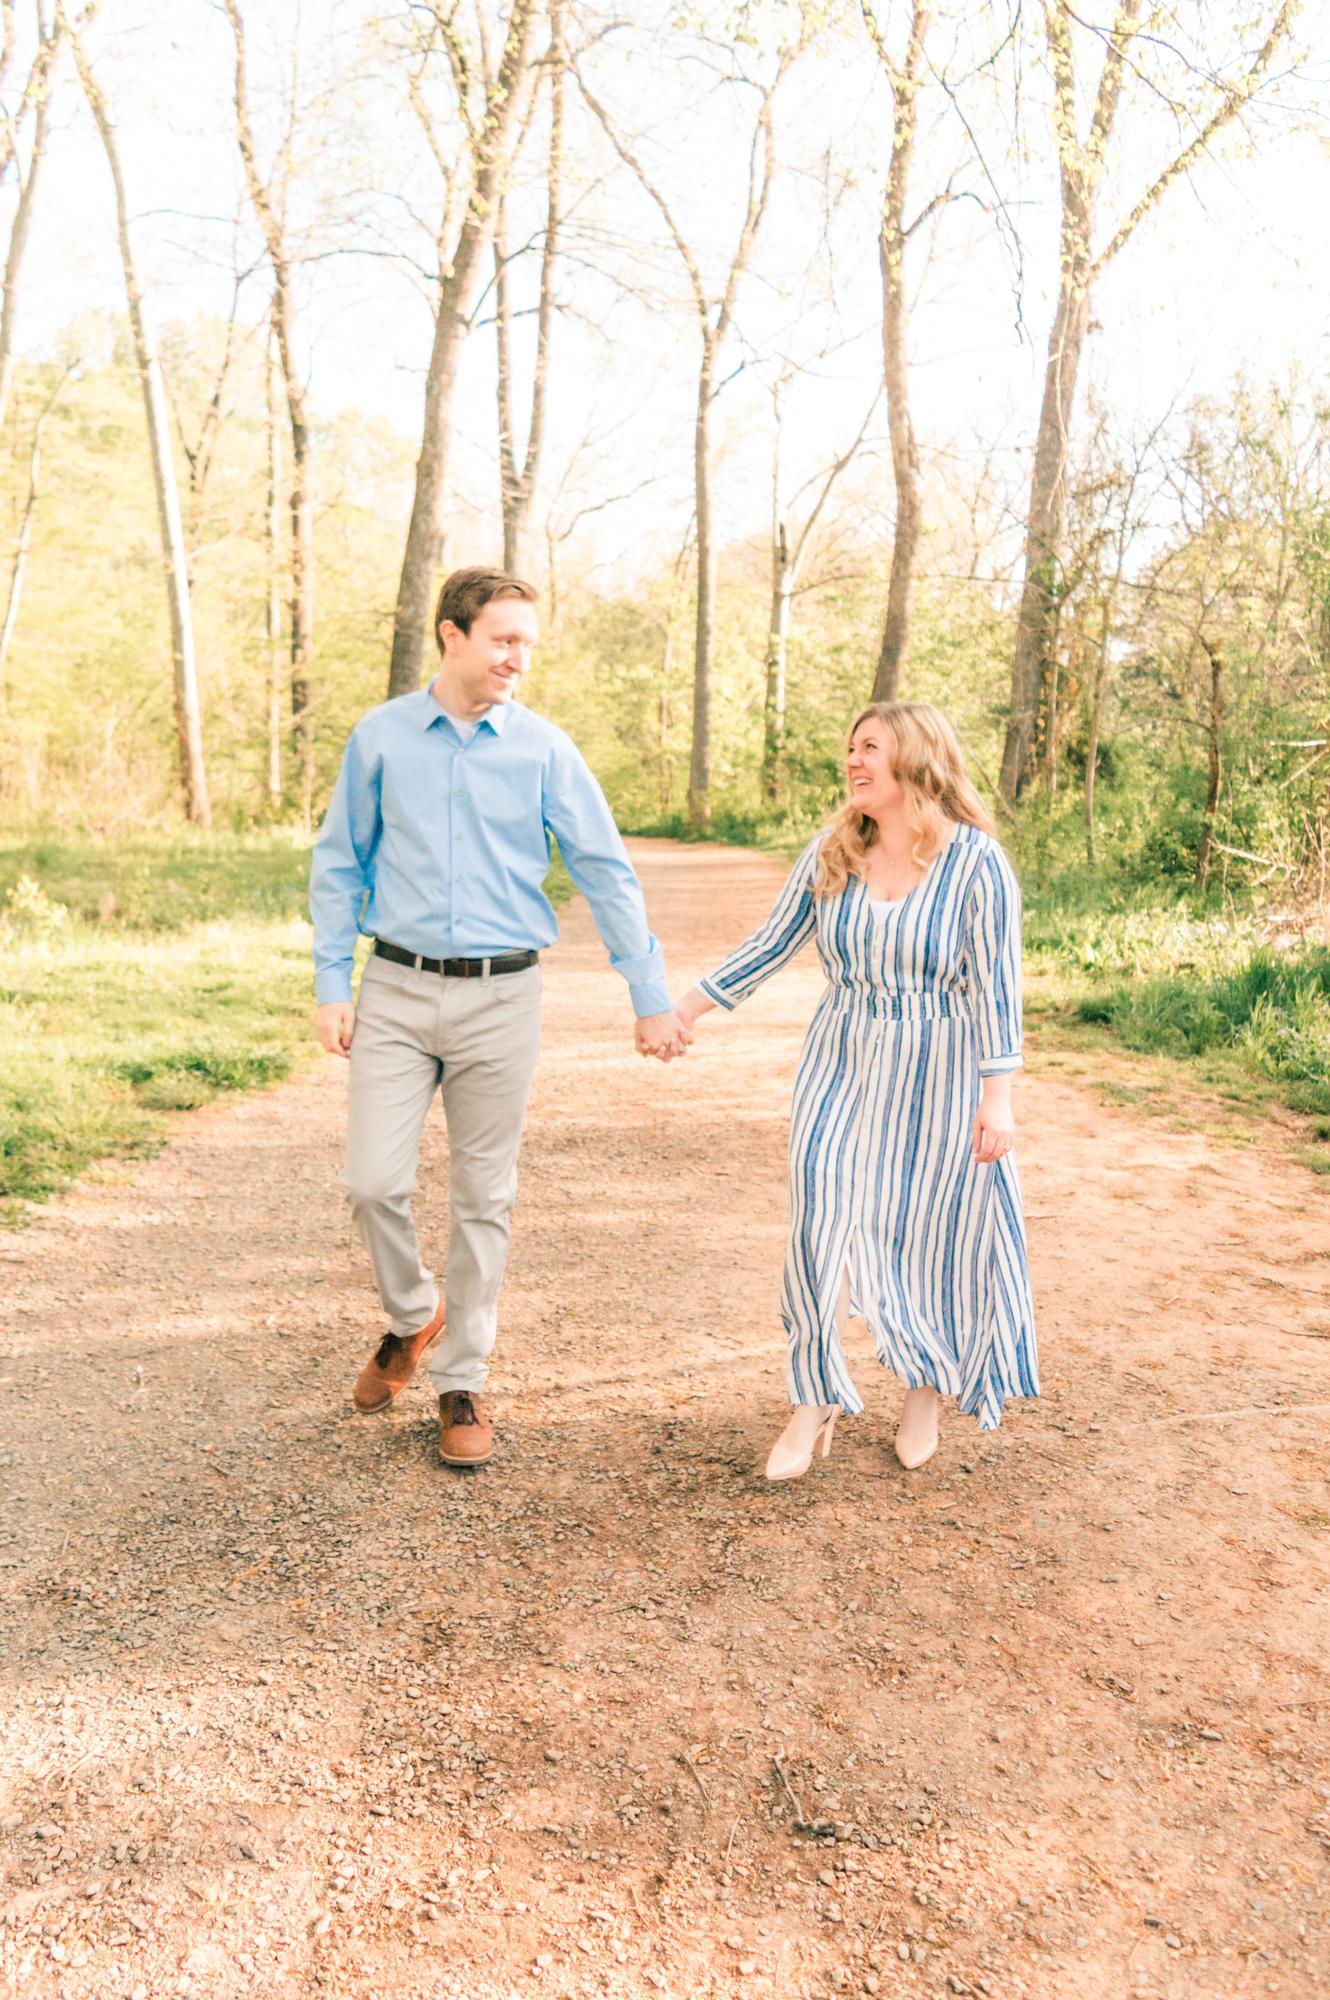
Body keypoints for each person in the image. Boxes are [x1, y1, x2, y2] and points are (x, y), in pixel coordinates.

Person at [309, 566, 689, 1469]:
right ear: (453, 635)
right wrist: (331, 979)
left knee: (485, 1196)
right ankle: (415, 1314)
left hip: (504, 995)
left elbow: (604, 870)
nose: (519, 658)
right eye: (503, 640)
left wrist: (649, 994)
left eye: (528, 643)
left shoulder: (545, 750)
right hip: (397, 988)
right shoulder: (381, 737)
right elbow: (339, 862)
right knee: (371, 1182)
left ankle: (461, 1379)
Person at [674, 700, 1038, 1480]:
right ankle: (815, 1398)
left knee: (926, 1231)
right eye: (851, 747)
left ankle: (924, 1388)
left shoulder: (976, 863)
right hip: (841, 1057)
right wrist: (685, 1010)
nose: (853, 760)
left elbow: (998, 987)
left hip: (938, 1067)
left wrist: (997, 1097)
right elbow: (770, 944)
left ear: (915, 756)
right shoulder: (835, 850)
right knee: (821, 1223)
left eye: (870, 746)